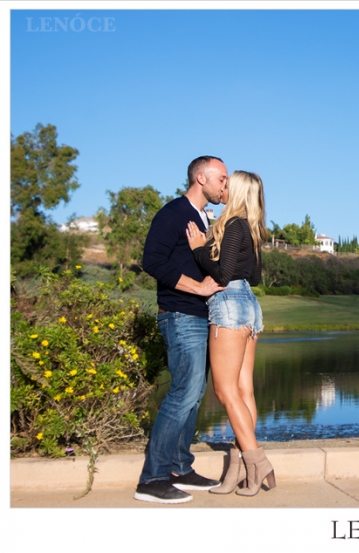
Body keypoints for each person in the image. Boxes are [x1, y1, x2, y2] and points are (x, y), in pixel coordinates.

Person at [133, 156, 228, 504]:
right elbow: (152, 261)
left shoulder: (204, 218)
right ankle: (152, 479)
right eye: (221, 178)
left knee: (194, 394)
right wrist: (199, 288)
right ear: (200, 177)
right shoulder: (173, 213)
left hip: (199, 318)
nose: (225, 185)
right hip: (179, 314)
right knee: (183, 394)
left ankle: (178, 468)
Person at [186, 170, 275, 496]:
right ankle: (239, 469)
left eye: (227, 182)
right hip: (249, 303)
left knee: (224, 391)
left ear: (237, 190)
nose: (223, 186)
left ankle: (257, 460)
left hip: (229, 304)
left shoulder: (235, 223)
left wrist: (199, 249)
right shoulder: (251, 227)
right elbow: (254, 274)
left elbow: (222, 273)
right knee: (243, 390)